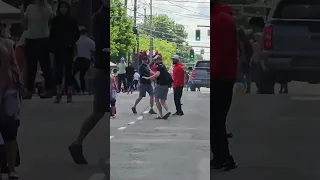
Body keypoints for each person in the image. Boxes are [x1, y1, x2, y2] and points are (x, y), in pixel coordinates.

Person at [68, 0, 110, 164]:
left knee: (104, 111)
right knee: (99, 111)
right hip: (103, 69)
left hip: (106, 69)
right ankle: (77, 143)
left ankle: (78, 144)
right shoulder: (99, 17)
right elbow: (100, 42)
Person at [211, 0, 238, 171]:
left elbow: (220, 52)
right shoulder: (222, 18)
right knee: (216, 120)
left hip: (221, 77)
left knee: (216, 120)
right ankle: (219, 157)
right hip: (224, 75)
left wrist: (212, 75)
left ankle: (225, 158)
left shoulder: (220, 20)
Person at [0, 22, 23, 179]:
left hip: (8, 91)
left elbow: (14, 66)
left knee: (10, 132)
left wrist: (20, 85)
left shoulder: (8, 44)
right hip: (8, 90)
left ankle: (11, 167)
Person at [23, 0, 54, 99]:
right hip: (30, 38)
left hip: (43, 38)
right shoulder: (29, 8)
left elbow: (49, 18)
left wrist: (43, 5)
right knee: (31, 66)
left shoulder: (47, 7)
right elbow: (25, 24)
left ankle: (49, 90)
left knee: (46, 66)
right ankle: (29, 90)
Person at [50, 1, 80, 103]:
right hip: (58, 49)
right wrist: (52, 47)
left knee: (68, 71)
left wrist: (71, 42)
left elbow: (77, 33)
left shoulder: (72, 20)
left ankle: (69, 93)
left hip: (68, 49)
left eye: (65, 7)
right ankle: (58, 93)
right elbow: (52, 35)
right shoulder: (55, 20)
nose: (63, 9)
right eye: (61, 7)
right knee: (58, 71)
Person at [73, 27, 95, 94]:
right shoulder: (89, 41)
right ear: (86, 33)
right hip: (86, 60)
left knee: (72, 74)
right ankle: (83, 90)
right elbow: (94, 49)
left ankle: (77, 88)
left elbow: (75, 51)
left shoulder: (77, 40)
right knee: (82, 76)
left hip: (78, 59)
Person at [238, 28, 253, 93]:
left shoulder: (240, 42)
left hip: (243, 60)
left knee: (240, 74)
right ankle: (248, 88)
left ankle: (245, 86)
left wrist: (241, 59)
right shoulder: (247, 41)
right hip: (248, 59)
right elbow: (251, 51)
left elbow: (242, 52)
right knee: (248, 75)